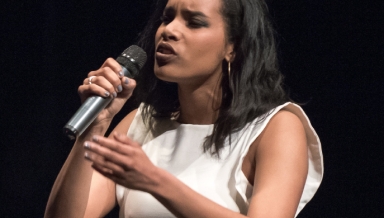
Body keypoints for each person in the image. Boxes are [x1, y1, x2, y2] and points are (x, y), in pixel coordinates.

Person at [45, 0, 323, 217]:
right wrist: (95, 127)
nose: (169, 30)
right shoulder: (141, 124)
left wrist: (154, 180)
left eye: (194, 22)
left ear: (233, 47)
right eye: (167, 18)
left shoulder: (276, 127)